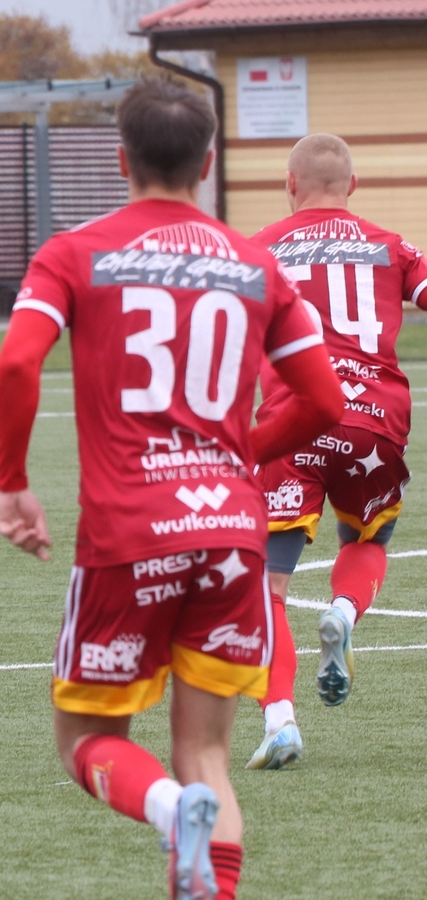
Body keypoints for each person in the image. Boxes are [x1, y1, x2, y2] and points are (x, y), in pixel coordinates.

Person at [0, 78, 343, 900]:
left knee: (86, 740)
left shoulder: (74, 253)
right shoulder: (256, 264)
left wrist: (13, 483)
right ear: (208, 164)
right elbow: (323, 401)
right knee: (208, 754)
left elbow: (15, 363)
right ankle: (195, 824)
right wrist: (240, 457)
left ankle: (165, 808)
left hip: (129, 533)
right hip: (232, 534)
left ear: (121, 160)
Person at [244, 134, 427, 770]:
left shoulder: (258, 248)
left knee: (267, 587)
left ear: (290, 184)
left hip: (293, 424)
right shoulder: (393, 246)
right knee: (369, 539)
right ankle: (344, 612)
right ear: (353, 185)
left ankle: (280, 722)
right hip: (374, 424)